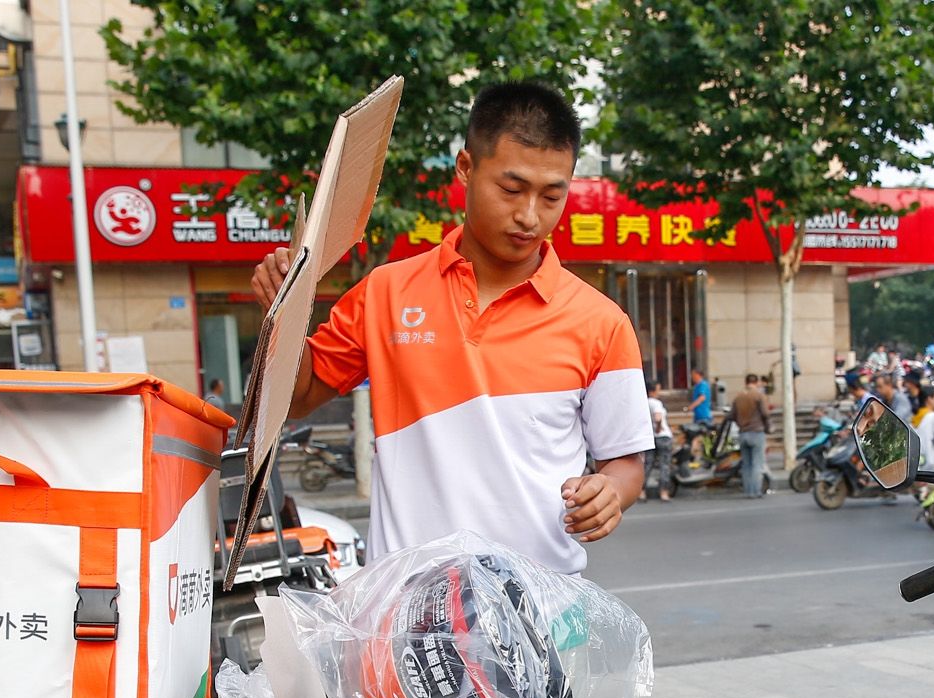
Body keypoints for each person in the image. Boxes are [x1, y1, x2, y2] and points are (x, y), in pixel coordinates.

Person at [253, 81, 649, 572]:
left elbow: (626, 462)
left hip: (536, 613)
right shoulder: (385, 293)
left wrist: (610, 491)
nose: (529, 216)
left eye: (552, 196)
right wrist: (284, 318)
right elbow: (298, 397)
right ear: (466, 168)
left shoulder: (602, 322)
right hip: (408, 612)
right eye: (511, 189)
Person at [730, 372, 771, 499]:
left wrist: (740, 424)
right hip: (756, 432)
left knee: (746, 464)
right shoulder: (759, 395)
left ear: (746, 382)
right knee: (757, 464)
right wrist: (768, 426)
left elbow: (732, 415)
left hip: (743, 433)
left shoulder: (738, 397)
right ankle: (756, 491)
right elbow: (765, 413)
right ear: (756, 382)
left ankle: (748, 491)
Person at [646, 378, 674, 501]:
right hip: (662, 437)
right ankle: (664, 492)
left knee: (647, 465)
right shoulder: (656, 403)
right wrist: (658, 427)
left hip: (649, 438)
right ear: (652, 391)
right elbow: (658, 418)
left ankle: (641, 492)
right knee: (664, 465)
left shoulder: (642, 403)